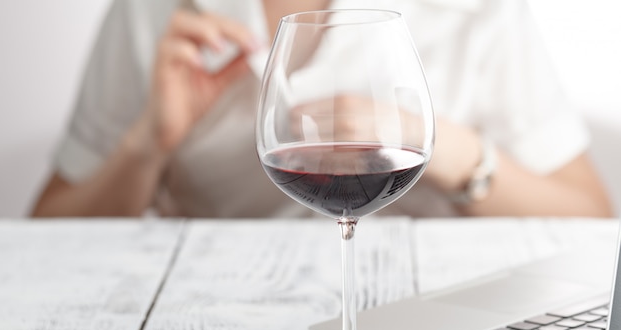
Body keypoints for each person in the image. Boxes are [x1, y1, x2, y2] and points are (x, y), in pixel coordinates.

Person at [31, 0, 613, 218]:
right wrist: (146, 145)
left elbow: (590, 219)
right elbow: (47, 235)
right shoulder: (153, 14)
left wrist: (435, 144)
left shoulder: (478, 12)